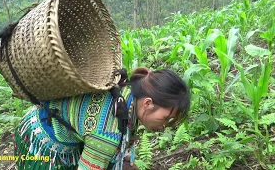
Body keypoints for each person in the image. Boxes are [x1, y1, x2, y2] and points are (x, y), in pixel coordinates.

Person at [14, 67, 191, 170]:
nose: (166, 126)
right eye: (166, 118)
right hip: (40, 138)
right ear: (148, 104)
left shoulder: (128, 94)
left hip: (63, 126)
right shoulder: (108, 133)